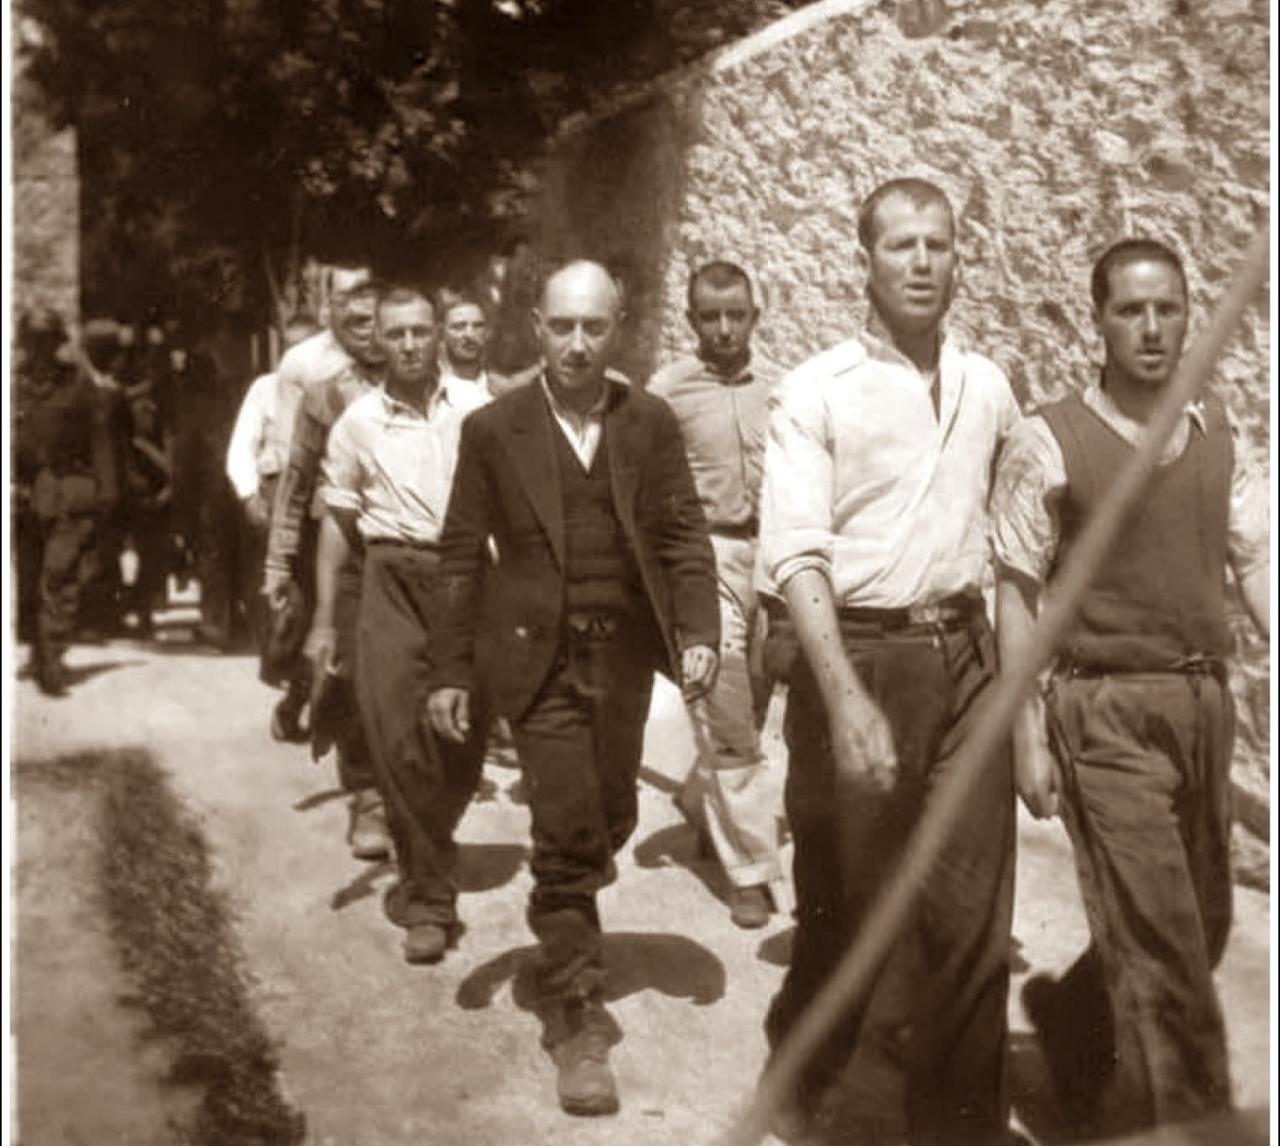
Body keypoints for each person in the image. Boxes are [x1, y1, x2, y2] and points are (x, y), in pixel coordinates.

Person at [758, 178, 1022, 1145]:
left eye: (939, 245)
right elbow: (795, 554)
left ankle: (959, 1125)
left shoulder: (989, 385)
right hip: (860, 659)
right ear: (861, 261)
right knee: (856, 916)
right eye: (900, 244)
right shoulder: (815, 390)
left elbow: (1015, 531)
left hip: (966, 659)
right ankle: (831, 1103)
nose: (921, 261)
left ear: (958, 260)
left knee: (968, 912)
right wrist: (847, 702)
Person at [991, 238, 1270, 1139]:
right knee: (1168, 962)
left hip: (1201, 708)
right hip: (1102, 711)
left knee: (1200, 925)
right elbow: (1016, 594)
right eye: (1130, 310)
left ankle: (1073, 1027)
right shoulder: (1050, 439)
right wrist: (1026, 735)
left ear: (1189, 315)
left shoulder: (1215, 428)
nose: (1152, 329)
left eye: (1168, 309)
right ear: (1098, 321)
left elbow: (1257, 555)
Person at [427, 260, 719, 1117]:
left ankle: (567, 903)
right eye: (562, 327)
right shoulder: (495, 429)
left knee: (609, 818)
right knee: (564, 828)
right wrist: (450, 670)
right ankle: (576, 1013)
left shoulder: (650, 423)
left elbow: (682, 534)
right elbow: (458, 555)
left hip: (622, 658)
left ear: (620, 327)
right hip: (537, 663)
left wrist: (699, 632)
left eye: (595, 327)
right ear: (537, 326)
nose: (578, 345)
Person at [315, 284, 490, 963]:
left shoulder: (481, 410)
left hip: (467, 579)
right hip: (389, 577)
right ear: (376, 342)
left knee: (462, 743)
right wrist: (325, 622)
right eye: (396, 335)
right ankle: (428, 899)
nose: (411, 345)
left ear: (439, 333)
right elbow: (335, 524)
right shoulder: (356, 422)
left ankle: (426, 852)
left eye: (421, 331)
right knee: (395, 732)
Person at [648, 260, 785, 930]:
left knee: (754, 707)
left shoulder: (784, 389)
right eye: (710, 316)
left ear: (756, 317)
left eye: (736, 315)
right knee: (727, 708)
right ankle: (750, 872)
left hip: (771, 558)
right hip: (702, 558)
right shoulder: (667, 391)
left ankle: (704, 801)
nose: (724, 329)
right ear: (692, 319)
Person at [263, 275, 390, 861]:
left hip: (410, 543)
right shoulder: (324, 394)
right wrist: (281, 562)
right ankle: (366, 792)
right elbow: (295, 483)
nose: (370, 334)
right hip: (341, 545)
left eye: (376, 321)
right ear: (337, 326)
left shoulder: (427, 383)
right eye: (356, 322)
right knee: (350, 670)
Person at [13, 309, 122, 694]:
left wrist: (107, 491)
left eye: (47, 343)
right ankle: (37, 647)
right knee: (28, 578)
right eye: (33, 343)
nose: (40, 352)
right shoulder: (13, 386)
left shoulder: (78, 386)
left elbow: (100, 439)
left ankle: (52, 657)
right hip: (23, 495)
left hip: (68, 488)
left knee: (60, 575)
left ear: (57, 344)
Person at [225, 313, 321, 712]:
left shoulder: (332, 389)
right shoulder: (265, 389)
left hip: (318, 496)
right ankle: (283, 662)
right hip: (276, 490)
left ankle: (307, 668)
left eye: (307, 345)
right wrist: (250, 496)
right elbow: (240, 447)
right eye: (291, 345)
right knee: (285, 589)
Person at [436, 289, 493, 403]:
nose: (469, 334)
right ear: (441, 334)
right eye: (459, 327)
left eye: (478, 326)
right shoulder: (437, 392)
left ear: (487, 332)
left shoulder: (499, 387)